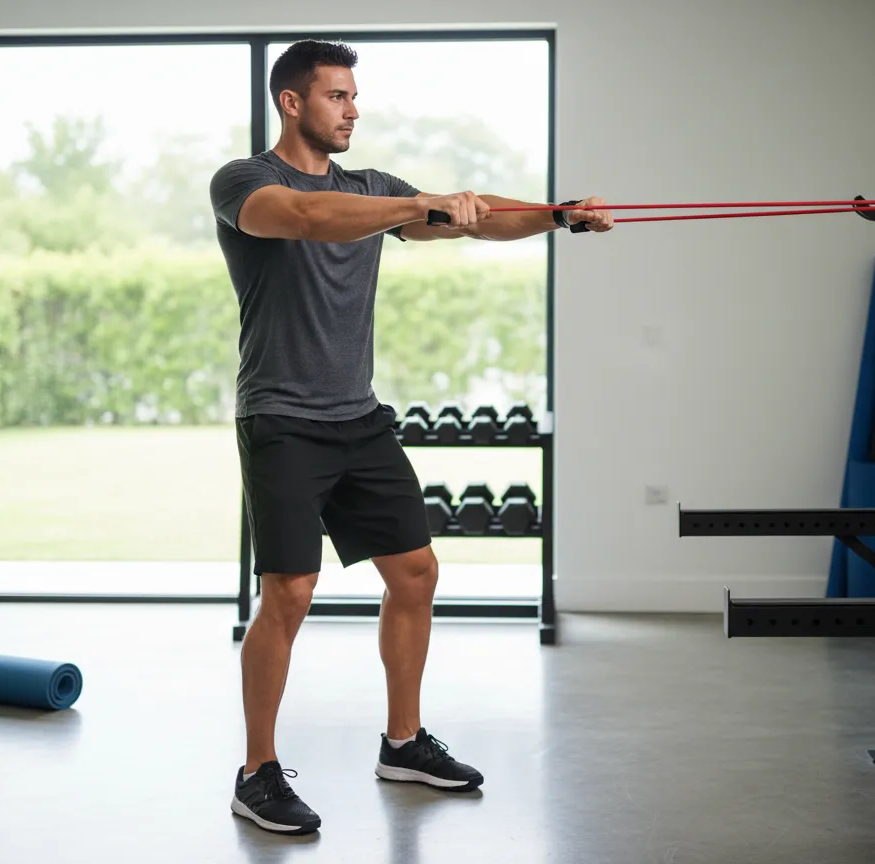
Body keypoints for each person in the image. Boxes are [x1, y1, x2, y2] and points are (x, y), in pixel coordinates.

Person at [209, 38, 614, 836]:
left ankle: (403, 742)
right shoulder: (246, 182)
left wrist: (557, 216)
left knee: (417, 571)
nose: (353, 109)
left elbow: (477, 219)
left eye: (355, 96)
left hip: (358, 418)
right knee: (289, 593)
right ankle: (256, 772)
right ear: (292, 102)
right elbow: (308, 219)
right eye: (337, 96)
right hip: (282, 418)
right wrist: (419, 206)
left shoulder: (374, 188)